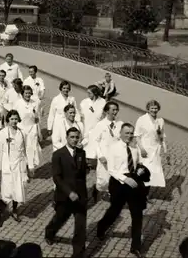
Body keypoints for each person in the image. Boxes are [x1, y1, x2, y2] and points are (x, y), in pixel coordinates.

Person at [96, 123, 150, 258]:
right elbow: (111, 169)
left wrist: (140, 170)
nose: (129, 136)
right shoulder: (113, 148)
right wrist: (125, 180)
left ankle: (136, 246)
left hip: (133, 181)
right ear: (120, 133)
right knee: (115, 211)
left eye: (131, 133)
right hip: (118, 182)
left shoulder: (134, 148)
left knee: (137, 214)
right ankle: (101, 227)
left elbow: (137, 164)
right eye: (127, 133)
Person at [45, 127, 87, 258]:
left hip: (80, 196)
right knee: (60, 218)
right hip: (65, 196)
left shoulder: (81, 153)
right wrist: (69, 193)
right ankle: (50, 232)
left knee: (80, 225)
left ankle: (78, 253)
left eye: (77, 137)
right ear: (67, 138)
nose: (75, 140)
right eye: (72, 137)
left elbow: (82, 174)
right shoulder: (58, 154)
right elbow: (57, 177)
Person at [0, 110, 27, 222]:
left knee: (17, 189)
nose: (14, 121)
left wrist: (27, 165)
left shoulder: (22, 133)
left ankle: (14, 210)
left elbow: (25, 150)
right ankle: (4, 210)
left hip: (18, 164)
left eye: (16, 119)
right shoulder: (3, 133)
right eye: (12, 119)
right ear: (8, 120)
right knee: (7, 189)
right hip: (7, 164)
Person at [134, 100, 169, 201]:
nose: (154, 110)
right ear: (148, 109)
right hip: (144, 150)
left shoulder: (160, 120)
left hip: (155, 151)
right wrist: (142, 149)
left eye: (156, 108)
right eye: (152, 108)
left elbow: (162, 137)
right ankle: (139, 193)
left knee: (152, 173)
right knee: (143, 172)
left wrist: (166, 151)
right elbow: (137, 136)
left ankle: (145, 195)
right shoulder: (142, 119)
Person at [89, 101, 122, 202]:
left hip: (115, 155)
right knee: (103, 178)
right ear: (107, 111)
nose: (115, 112)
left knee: (115, 176)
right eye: (113, 110)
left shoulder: (120, 124)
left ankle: (110, 193)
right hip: (104, 154)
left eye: (116, 110)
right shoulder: (101, 125)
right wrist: (100, 155)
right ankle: (98, 189)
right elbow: (95, 141)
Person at [14, 85, 42, 179]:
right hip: (21, 128)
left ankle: (30, 167)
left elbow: (37, 118)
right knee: (22, 149)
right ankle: (23, 169)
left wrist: (39, 132)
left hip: (32, 129)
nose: (28, 95)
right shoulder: (18, 103)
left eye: (29, 93)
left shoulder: (34, 103)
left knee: (32, 149)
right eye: (26, 93)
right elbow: (14, 116)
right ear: (22, 94)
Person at [80, 85, 106, 168]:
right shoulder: (84, 102)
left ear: (95, 93)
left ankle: (94, 161)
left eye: (89, 93)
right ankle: (86, 161)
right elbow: (81, 113)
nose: (88, 95)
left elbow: (102, 114)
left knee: (95, 143)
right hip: (87, 124)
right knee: (86, 142)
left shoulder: (102, 102)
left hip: (97, 125)